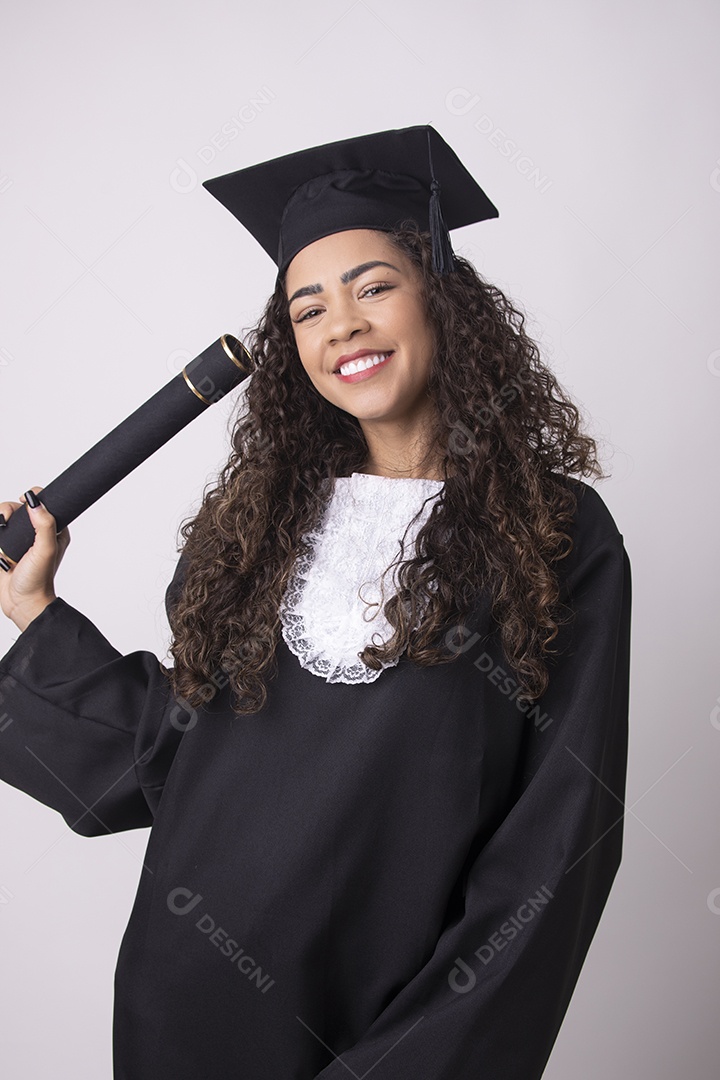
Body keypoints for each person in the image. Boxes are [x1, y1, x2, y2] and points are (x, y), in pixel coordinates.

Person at [0, 125, 632, 1080]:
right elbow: (176, 761)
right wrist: (36, 611)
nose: (340, 326)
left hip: (393, 1027)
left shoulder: (552, 533)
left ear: (442, 300)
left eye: (373, 286)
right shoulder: (251, 531)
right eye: (306, 310)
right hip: (183, 1009)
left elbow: (558, 843)